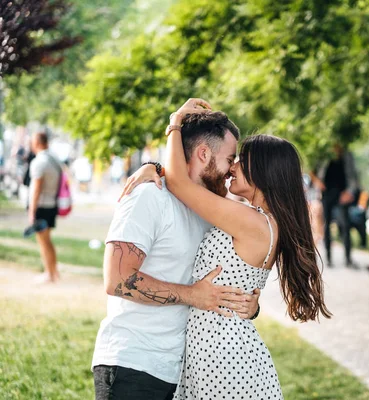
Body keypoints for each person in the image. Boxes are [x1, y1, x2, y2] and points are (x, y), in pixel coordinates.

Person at [124, 98, 332, 400]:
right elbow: (192, 182)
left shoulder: (251, 221)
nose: (232, 166)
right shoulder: (256, 220)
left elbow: (182, 185)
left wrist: (175, 122)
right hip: (219, 349)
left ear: (263, 171)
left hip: (223, 356)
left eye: (241, 160)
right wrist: (156, 168)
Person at [92, 105, 261, 400]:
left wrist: (251, 306)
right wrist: (193, 294)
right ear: (203, 155)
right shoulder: (149, 196)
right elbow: (117, 279)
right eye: (229, 159)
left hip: (180, 372)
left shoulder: (208, 209)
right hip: (134, 364)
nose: (232, 169)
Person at [311, 143, 359, 267]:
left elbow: (354, 176)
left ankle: (348, 258)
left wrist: (349, 192)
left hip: (342, 194)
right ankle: (328, 258)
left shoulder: (347, 155)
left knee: (345, 225)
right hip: (326, 193)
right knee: (326, 225)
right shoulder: (324, 154)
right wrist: (318, 183)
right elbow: (312, 172)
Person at [27, 132, 62, 283]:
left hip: (42, 206)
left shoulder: (39, 162)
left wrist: (31, 211)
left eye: (32, 142)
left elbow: (36, 189)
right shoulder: (53, 159)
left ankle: (49, 274)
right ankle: (54, 272)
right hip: (52, 204)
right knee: (48, 240)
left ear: (38, 143)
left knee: (43, 241)